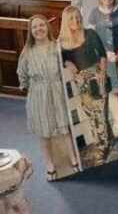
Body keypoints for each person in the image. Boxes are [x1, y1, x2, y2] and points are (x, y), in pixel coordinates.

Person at [59, 6, 114, 168]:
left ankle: (102, 150)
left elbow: (102, 54)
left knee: (100, 115)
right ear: (66, 21)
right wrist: (67, 62)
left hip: (97, 77)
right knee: (91, 116)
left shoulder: (90, 33)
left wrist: (102, 71)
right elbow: (59, 58)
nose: (76, 20)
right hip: (81, 83)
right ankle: (109, 144)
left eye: (77, 17)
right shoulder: (62, 42)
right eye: (71, 18)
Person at [18, 15, 72, 180]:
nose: (38, 29)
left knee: (64, 127)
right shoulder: (27, 52)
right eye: (34, 27)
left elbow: (66, 67)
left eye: (41, 25)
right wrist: (35, 89)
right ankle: (50, 164)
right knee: (44, 130)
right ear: (31, 31)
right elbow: (22, 75)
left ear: (47, 27)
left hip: (57, 90)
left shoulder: (57, 47)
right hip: (38, 94)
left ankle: (74, 159)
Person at [87, 0, 118, 137]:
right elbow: (91, 38)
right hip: (105, 58)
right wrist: (105, 53)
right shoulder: (94, 13)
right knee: (112, 90)